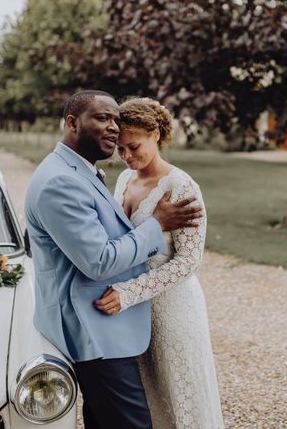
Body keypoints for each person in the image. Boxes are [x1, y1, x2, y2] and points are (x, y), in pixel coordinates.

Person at [24, 90, 203, 429]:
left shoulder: (79, 170)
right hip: (95, 330)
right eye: (102, 118)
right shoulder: (61, 181)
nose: (112, 128)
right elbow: (100, 260)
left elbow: (187, 259)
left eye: (116, 120)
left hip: (124, 319)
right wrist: (157, 225)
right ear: (72, 122)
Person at [94, 97, 224, 429]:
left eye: (133, 146)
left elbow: (189, 262)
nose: (126, 156)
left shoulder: (181, 187)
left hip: (172, 308)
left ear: (155, 133)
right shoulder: (125, 179)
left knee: (180, 396)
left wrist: (129, 292)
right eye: (120, 149)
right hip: (133, 310)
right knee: (147, 401)